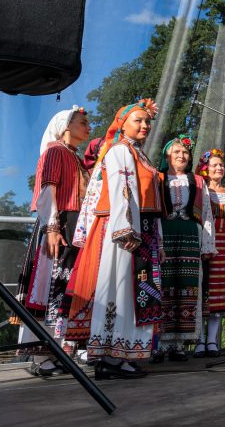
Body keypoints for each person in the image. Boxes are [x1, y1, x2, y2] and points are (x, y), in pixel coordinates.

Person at [65, 99, 162, 379]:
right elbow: (122, 187)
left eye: (147, 121)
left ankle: (123, 353)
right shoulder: (120, 150)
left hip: (141, 228)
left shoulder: (139, 154)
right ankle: (111, 357)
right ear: (122, 124)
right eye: (138, 120)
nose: (145, 125)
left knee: (134, 292)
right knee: (120, 289)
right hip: (126, 228)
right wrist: (125, 229)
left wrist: (156, 239)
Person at [15, 106, 90, 376]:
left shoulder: (76, 157)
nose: (88, 127)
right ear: (66, 126)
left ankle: (58, 352)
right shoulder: (55, 152)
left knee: (64, 289)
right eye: (83, 122)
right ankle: (41, 357)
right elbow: (48, 190)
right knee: (49, 287)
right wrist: (51, 228)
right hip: (58, 224)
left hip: (73, 226)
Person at [154, 135, 215, 360]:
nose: (182, 156)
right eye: (177, 152)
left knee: (188, 286)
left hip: (190, 236)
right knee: (163, 285)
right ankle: (159, 344)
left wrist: (207, 244)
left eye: (185, 153)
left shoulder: (197, 181)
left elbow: (206, 212)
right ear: (167, 155)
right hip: (164, 234)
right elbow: (152, 211)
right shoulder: (157, 178)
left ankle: (179, 344)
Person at [195, 148, 225, 357]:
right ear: (205, 168)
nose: (219, 168)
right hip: (207, 243)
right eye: (214, 165)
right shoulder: (201, 191)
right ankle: (199, 340)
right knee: (204, 289)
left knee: (221, 292)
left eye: (221, 165)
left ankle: (212, 341)